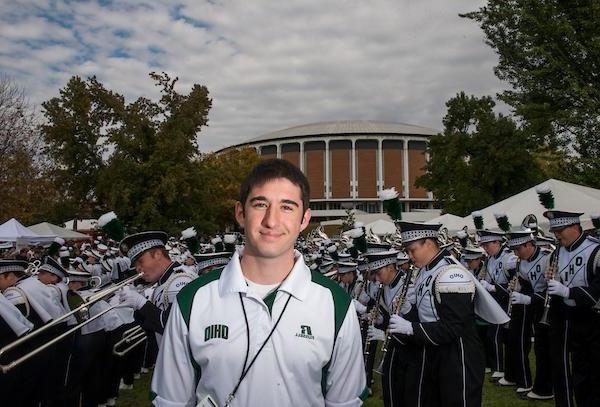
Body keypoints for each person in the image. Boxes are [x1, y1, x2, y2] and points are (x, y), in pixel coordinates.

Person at [152, 158, 367, 406]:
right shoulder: (193, 299)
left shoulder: (336, 304)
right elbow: (171, 401)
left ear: (304, 219)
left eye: (287, 207)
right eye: (260, 204)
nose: (271, 221)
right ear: (240, 213)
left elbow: (346, 402)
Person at [387, 221, 486, 407]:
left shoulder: (451, 274)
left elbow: (453, 327)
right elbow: (428, 312)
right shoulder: (426, 270)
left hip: (458, 357)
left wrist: (411, 328)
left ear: (430, 244)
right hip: (437, 353)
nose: (409, 256)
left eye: (412, 250)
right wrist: (409, 312)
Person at [543, 210, 600, 407]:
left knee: (593, 372)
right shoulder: (556, 253)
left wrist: (566, 291)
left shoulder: (596, 251)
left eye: (560, 230)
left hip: (592, 319)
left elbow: (596, 293)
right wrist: (553, 283)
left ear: (575, 227)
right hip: (566, 317)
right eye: (554, 231)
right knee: (577, 370)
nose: (557, 235)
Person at [118, 231, 196, 345]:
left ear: (158, 254)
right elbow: (152, 327)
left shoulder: (180, 280)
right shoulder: (164, 281)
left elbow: (176, 328)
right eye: (135, 265)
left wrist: (141, 303)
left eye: (140, 261)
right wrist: (137, 308)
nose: (138, 268)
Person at [506, 230, 554, 400]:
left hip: (550, 310)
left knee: (546, 350)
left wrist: (528, 298)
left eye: (518, 248)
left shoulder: (546, 258)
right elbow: (527, 285)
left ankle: (546, 388)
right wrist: (518, 289)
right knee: (539, 349)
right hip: (535, 309)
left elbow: (551, 289)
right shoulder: (521, 262)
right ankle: (540, 386)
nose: (516, 253)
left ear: (529, 244)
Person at [478, 229, 518, 382]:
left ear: (497, 242)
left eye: (488, 244)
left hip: (507, 300)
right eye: (484, 245)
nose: (486, 248)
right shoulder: (490, 259)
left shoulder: (509, 258)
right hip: (494, 299)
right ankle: (497, 366)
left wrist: (493, 287)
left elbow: (515, 281)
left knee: (497, 335)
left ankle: (500, 368)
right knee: (492, 334)